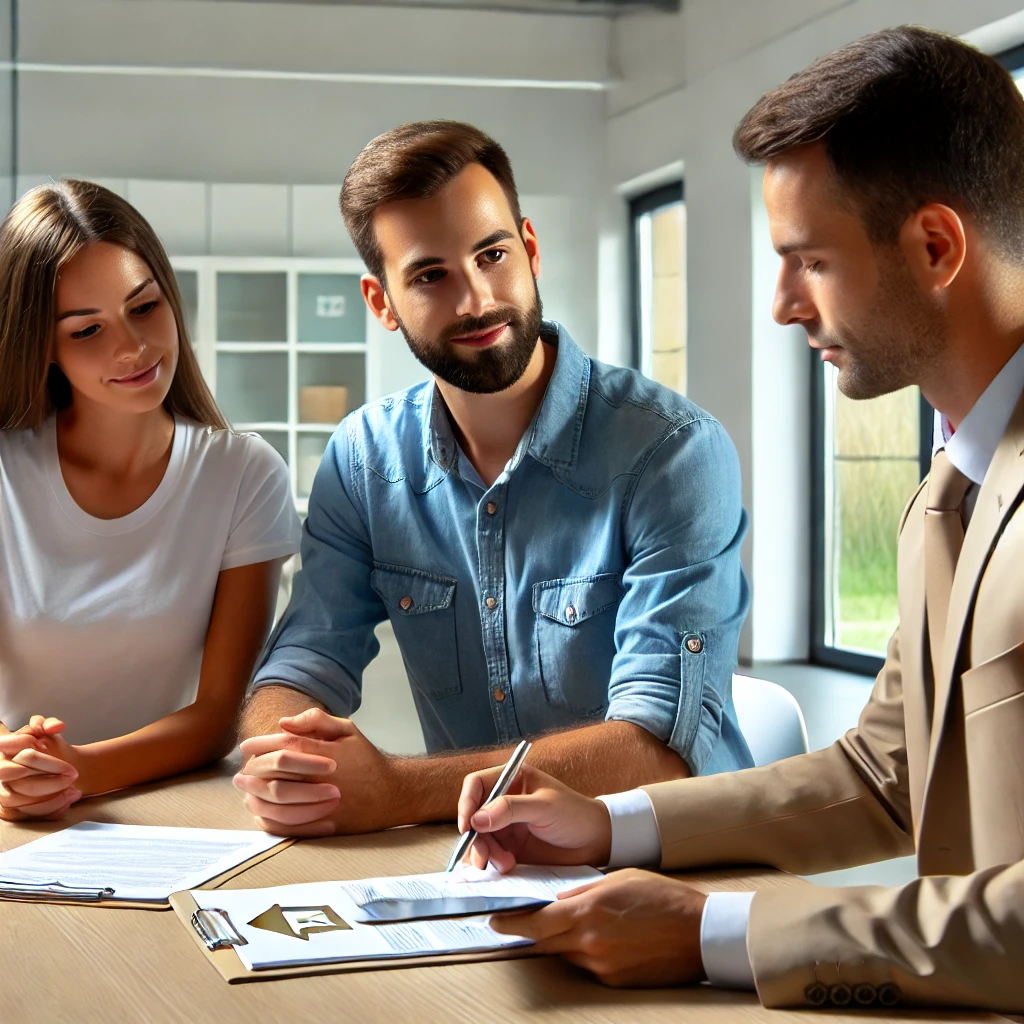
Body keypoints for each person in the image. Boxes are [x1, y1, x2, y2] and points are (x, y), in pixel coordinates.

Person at [455, 27, 1024, 1014]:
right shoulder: (954, 478)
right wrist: (608, 825)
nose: (778, 305)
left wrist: (706, 929)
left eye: (808, 260)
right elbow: (883, 770)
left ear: (935, 246)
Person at [232, 120, 753, 837]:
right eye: (430, 275)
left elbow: (656, 752)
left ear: (530, 250)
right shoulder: (363, 458)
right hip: (486, 871)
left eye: (493, 254)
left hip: (671, 864)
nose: (476, 299)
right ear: (382, 303)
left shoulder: (672, 454)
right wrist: (285, 755)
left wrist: (397, 789)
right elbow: (307, 653)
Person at [0, 181, 300, 821]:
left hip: (172, 811)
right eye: (86, 331)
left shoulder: (244, 474)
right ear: (42, 347)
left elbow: (219, 716)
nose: (132, 349)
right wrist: (12, 764)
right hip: (13, 807)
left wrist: (80, 772)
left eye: (144, 307)